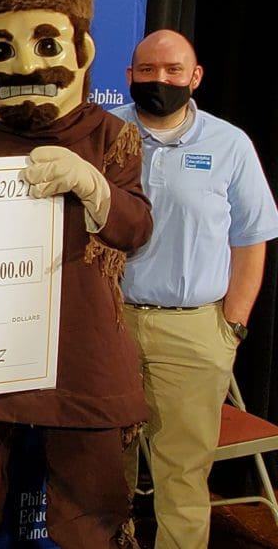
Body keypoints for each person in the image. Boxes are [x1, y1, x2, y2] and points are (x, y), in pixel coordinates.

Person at [0, 0, 153, 548]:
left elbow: (136, 230)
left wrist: (95, 187)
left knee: (92, 510)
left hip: (84, 349)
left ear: (82, 51)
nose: (27, 63)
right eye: (2, 49)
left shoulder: (112, 135)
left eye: (47, 44)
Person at [110, 29, 278, 549]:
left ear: (195, 76)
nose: (159, 80)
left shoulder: (229, 145)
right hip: (109, 324)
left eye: (172, 70)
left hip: (192, 331)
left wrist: (232, 326)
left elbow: (251, 239)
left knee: (181, 480)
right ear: (130, 76)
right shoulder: (104, 134)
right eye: (147, 71)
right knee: (102, 474)